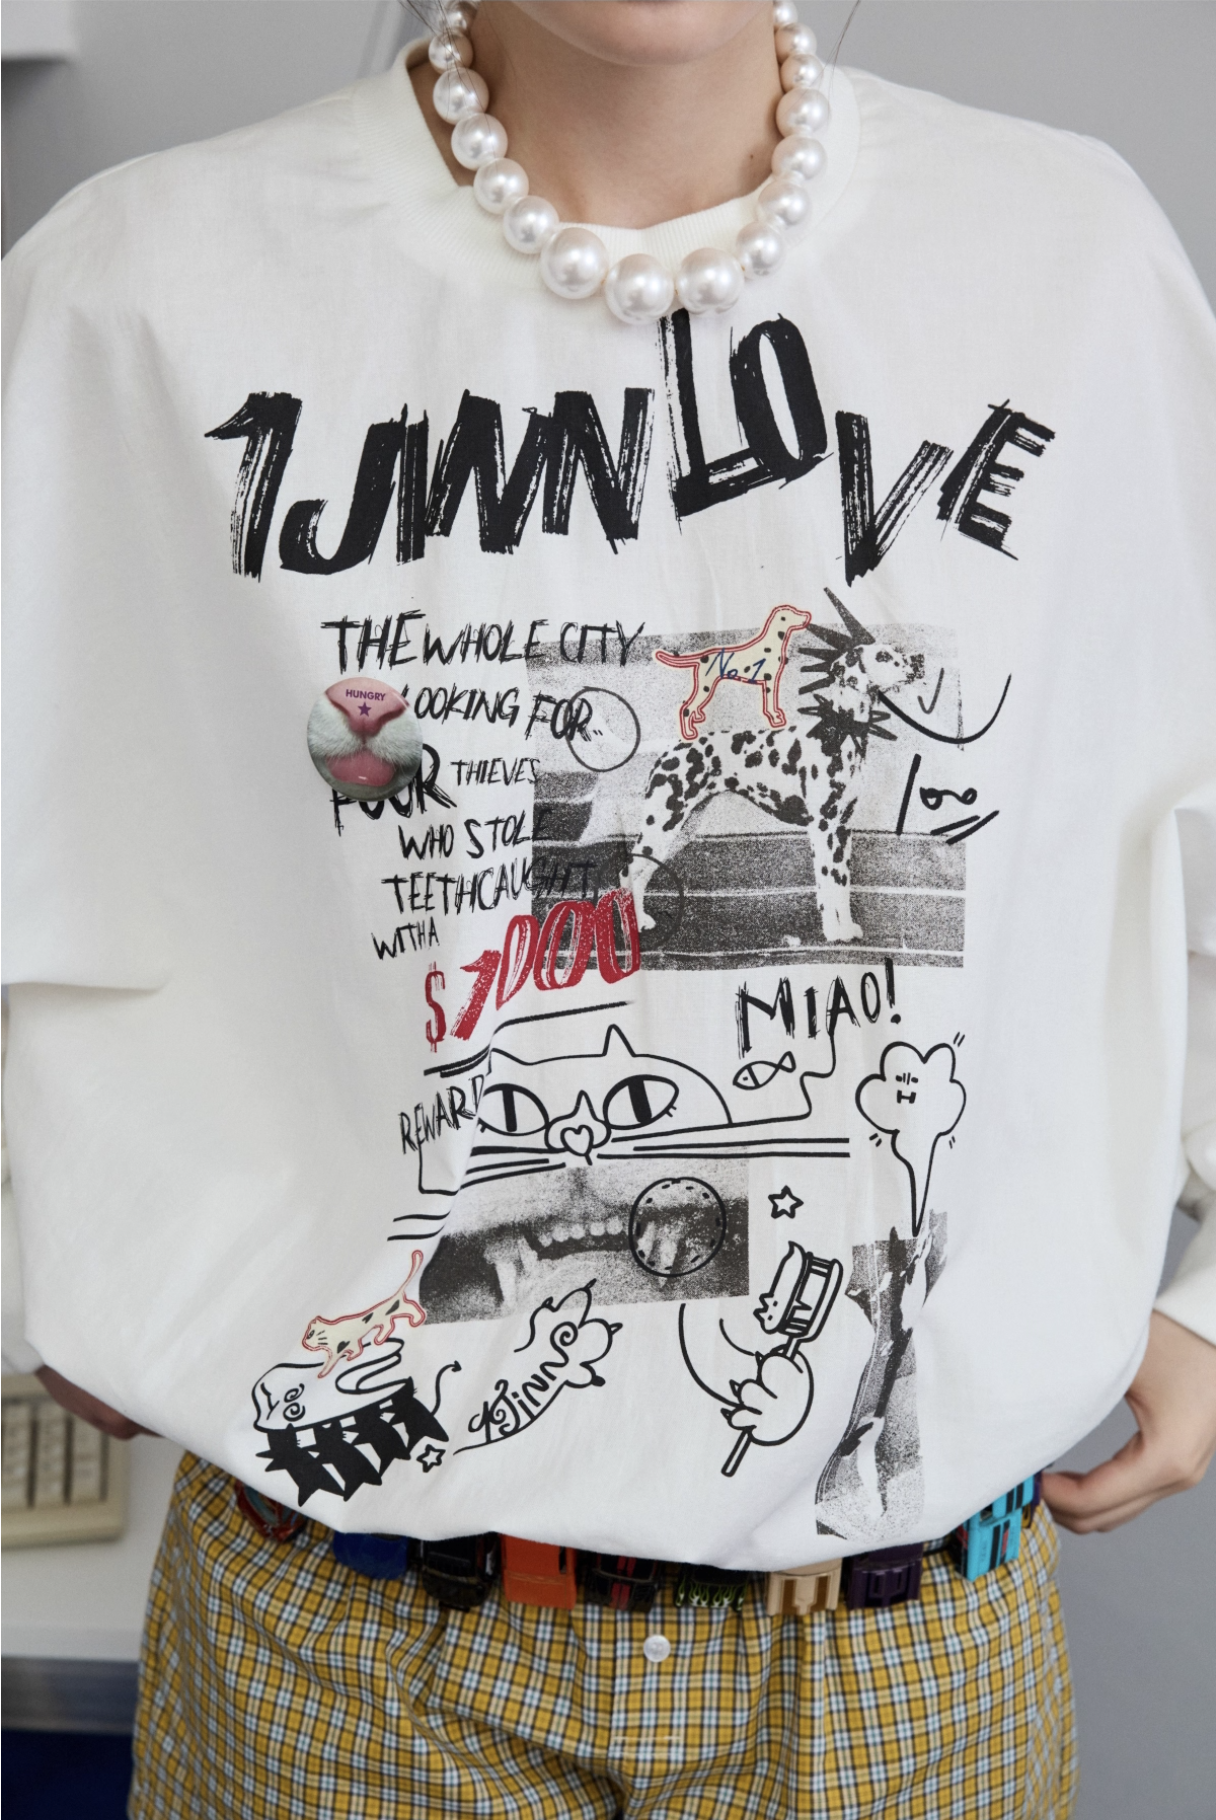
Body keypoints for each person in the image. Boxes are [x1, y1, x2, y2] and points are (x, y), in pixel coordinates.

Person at [4, 3, 1215, 1814]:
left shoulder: (1073, 258)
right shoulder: (137, 288)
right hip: (346, 1652)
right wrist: (54, 1249)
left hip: (900, 1653)